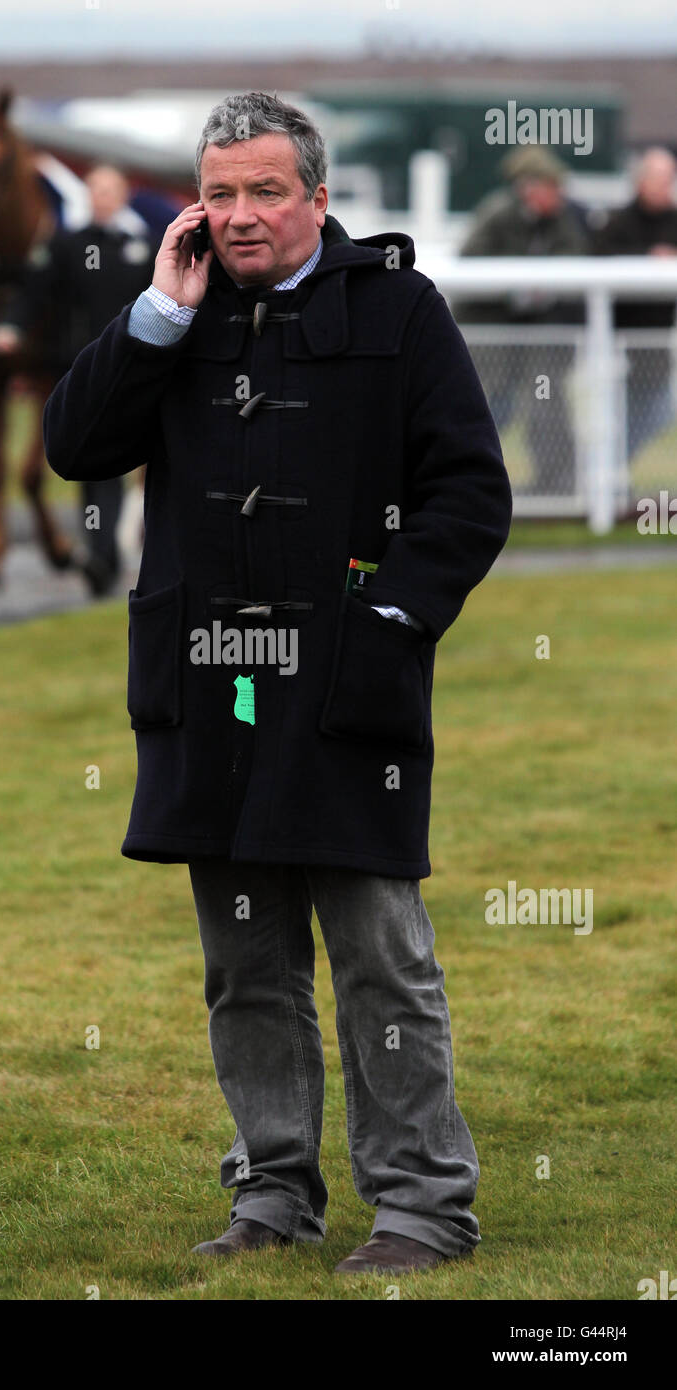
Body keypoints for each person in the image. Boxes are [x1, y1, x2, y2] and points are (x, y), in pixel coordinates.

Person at [43, 92, 512, 1276]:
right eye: (219, 193)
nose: (240, 216)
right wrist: (157, 311)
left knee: (377, 955)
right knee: (244, 960)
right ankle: (273, 1191)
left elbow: (468, 491)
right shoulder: (177, 313)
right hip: (214, 689)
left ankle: (420, 1206)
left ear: (315, 196)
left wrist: (391, 619)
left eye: (264, 191)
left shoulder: (398, 310)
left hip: (348, 688)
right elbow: (75, 446)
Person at [0, 164, 158, 594]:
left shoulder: (145, 246)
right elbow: (33, 291)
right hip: (86, 373)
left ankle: (133, 550)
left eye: (109, 189)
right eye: (94, 190)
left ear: (124, 194)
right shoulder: (67, 245)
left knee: (149, 463)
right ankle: (102, 557)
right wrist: (11, 327)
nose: (101, 197)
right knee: (96, 465)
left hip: (137, 373)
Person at [455, 147, 590, 498]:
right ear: (529, 188)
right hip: (488, 332)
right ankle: (463, 482)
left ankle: (558, 484)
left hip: (535, 332)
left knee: (546, 399)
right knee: (486, 407)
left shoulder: (562, 220)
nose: (558, 196)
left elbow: (575, 259)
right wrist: (514, 290)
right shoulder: (497, 214)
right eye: (551, 187)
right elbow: (469, 263)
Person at [592, 146, 677, 461]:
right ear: (641, 181)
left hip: (656, 338)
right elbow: (597, 258)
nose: (664, 185)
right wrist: (648, 259)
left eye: (669, 178)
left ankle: (612, 466)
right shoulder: (617, 220)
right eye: (659, 178)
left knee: (658, 409)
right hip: (613, 337)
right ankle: (605, 472)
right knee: (613, 411)